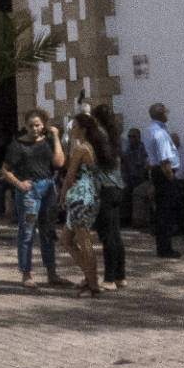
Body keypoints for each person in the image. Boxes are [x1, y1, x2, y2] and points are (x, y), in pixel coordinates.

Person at [0, 110, 66, 287]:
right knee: (27, 231)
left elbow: (59, 163)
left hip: (47, 189)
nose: (34, 129)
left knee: (48, 231)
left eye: (37, 125)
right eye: (30, 125)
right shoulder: (17, 145)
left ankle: (52, 273)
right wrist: (19, 184)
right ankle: (26, 274)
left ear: (43, 124)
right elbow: (5, 170)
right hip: (29, 193)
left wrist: (56, 137)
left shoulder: (48, 142)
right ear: (25, 126)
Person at [58, 116, 104, 296]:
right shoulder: (94, 148)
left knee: (83, 240)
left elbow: (69, 175)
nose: (72, 130)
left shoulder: (80, 149)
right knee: (66, 240)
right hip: (90, 195)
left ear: (83, 129)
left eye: (75, 127)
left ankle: (93, 285)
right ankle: (89, 276)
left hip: (80, 197)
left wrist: (62, 195)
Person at [89, 113, 127, 290]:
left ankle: (110, 278)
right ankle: (120, 275)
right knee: (116, 234)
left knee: (107, 236)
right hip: (117, 188)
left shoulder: (99, 138)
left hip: (104, 189)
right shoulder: (114, 139)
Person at [144, 104, 184, 260]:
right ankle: (165, 248)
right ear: (162, 114)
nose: (168, 114)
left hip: (158, 172)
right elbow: (164, 160)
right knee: (165, 212)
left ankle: (164, 246)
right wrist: (171, 178)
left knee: (162, 211)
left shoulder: (152, 130)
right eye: (166, 111)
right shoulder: (160, 133)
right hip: (164, 173)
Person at [119, 126, 148, 229]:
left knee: (133, 190)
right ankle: (123, 219)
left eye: (133, 137)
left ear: (139, 138)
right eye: (129, 137)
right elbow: (125, 166)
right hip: (129, 178)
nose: (131, 139)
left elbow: (141, 168)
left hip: (139, 179)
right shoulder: (128, 150)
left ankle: (137, 221)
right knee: (121, 188)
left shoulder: (141, 149)